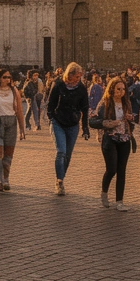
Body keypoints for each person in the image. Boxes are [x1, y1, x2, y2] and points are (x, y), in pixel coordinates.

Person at [90, 76, 135, 211]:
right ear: (112, 90)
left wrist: (131, 118)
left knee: (122, 171)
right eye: (118, 89)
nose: (121, 92)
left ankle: (119, 201)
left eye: (123, 89)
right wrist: (107, 123)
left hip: (124, 139)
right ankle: (104, 192)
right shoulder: (105, 103)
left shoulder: (126, 103)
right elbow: (93, 121)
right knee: (111, 169)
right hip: (110, 139)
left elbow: (133, 119)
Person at [46, 62, 90, 197]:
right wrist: (51, 117)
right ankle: (59, 181)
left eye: (80, 77)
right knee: (61, 151)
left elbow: (85, 108)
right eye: (76, 76)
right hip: (58, 122)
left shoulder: (81, 88)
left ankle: (61, 177)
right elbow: (51, 103)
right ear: (69, 74)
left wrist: (85, 128)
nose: (78, 79)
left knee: (68, 155)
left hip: (73, 124)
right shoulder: (58, 85)